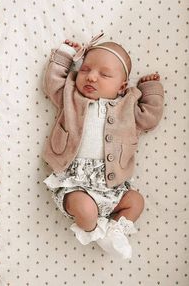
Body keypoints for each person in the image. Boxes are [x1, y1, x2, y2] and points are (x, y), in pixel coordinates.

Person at [42, 33, 164, 259]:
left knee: (136, 201)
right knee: (86, 211)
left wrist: (151, 90)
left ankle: (114, 230)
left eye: (104, 74)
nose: (92, 78)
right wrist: (65, 56)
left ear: (122, 86)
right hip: (75, 183)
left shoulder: (128, 107)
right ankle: (95, 231)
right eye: (86, 69)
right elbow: (53, 84)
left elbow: (150, 119)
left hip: (114, 185)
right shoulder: (70, 96)